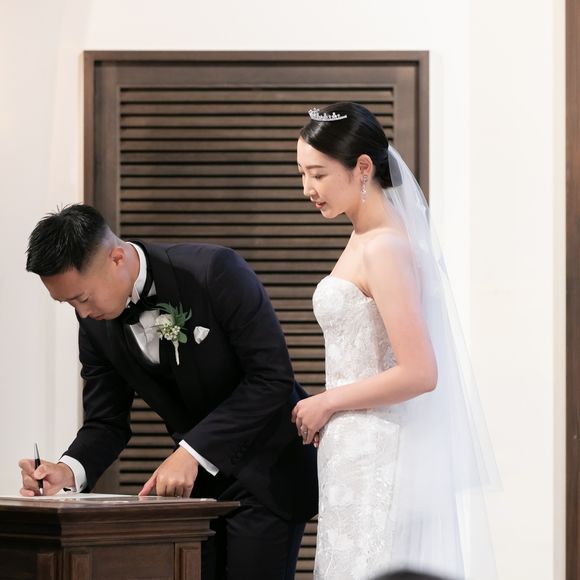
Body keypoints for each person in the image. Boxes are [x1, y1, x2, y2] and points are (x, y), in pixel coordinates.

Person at [19, 204, 318, 580]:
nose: (81, 312)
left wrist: (192, 452)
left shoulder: (214, 271)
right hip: (194, 493)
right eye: (68, 304)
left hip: (268, 469)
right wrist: (66, 470)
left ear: (116, 258)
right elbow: (106, 421)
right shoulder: (95, 324)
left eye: (82, 298)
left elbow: (271, 378)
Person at [292, 103, 496, 580]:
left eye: (318, 174)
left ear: (362, 167)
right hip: (352, 448)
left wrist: (327, 401)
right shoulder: (363, 236)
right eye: (302, 174)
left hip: (378, 450)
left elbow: (420, 372)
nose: (307, 189)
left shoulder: (384, 246)